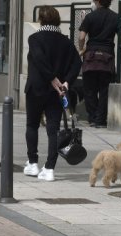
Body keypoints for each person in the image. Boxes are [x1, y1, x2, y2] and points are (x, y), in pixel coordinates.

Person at [24, 6, 82, 181]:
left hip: (36, 89)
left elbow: (40, 59)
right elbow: (77, 63)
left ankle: (33, 163)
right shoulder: (65, 41)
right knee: (53, 129)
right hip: (58, 93)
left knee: (32, 125)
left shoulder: (34, 38)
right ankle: (49, 168)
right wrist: (65, 82)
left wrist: (51, 78)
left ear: (41, 20)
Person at [78, 0, 118, 128]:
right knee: (105, 90)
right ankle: (100, 120)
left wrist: (81, 49)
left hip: (91, 56)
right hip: (107, 57)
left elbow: (81, 37)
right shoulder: (116, 17)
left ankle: (93, 118)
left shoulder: (90, 17)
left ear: (98, 1)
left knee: (89, 89)